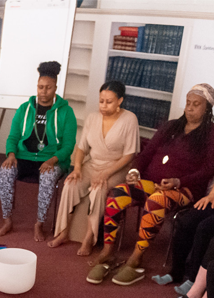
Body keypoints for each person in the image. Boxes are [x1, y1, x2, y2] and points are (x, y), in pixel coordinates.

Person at [87, 83, 214, 286]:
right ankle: (108, 251)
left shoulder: (210, 134)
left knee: (156, 202)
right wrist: (135, 171)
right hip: (151, 182)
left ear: (207, 108)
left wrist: (178, 181)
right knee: (117, 193)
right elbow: (146, 153)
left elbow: (209, 169)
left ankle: (137, 257)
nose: (189, 108)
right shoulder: (172, 125)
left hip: (185, 190)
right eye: (188, 103)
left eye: (196, 104)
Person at [49, 81, 140, 255]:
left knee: (98, 190)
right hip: (92, 164)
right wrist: (76, 169)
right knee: (70, 184)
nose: (103, 106)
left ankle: (88, 239)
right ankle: (63, 232)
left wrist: (106, 173)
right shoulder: (92, 117)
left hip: (116, 168)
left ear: (120, 101)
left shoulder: (130, 119)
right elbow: (82, 147)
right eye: (101, 101)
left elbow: (129, 156)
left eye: (109, 101)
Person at [0, 61, 77, 241]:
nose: (43, 91)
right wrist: (10, 154)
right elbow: (13, 137)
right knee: (5, 171)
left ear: (55, 87)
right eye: (40, 87)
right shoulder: (25, 109)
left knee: (48, 177)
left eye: (48, 87)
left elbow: (69, 146)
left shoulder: (66, 112)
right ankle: (7, 220)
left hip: (51, 160)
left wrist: (53, 160)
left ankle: (39, 224)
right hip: (24, 157)